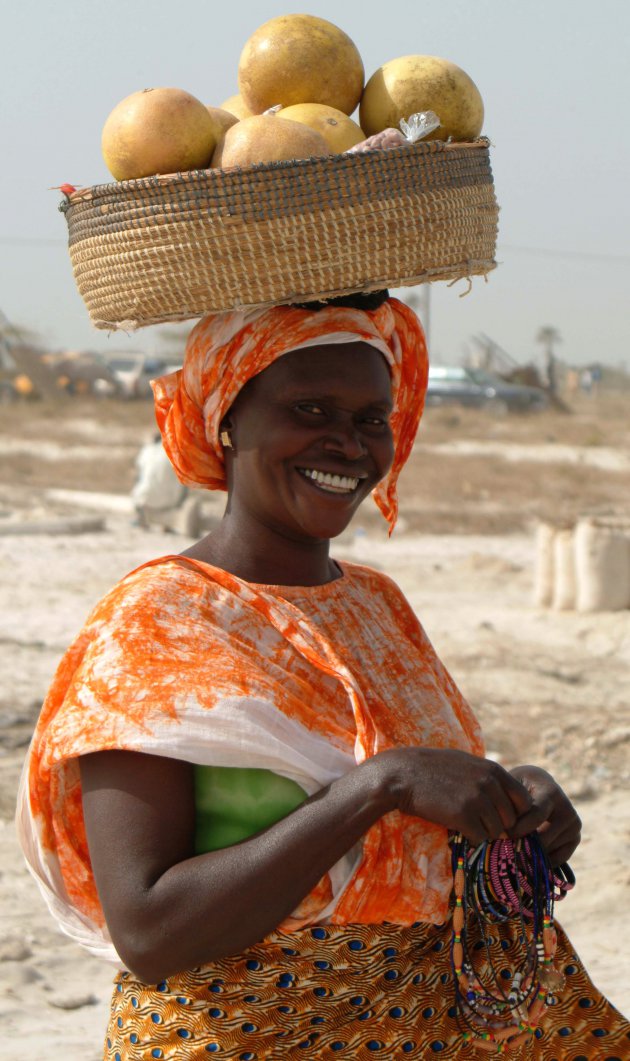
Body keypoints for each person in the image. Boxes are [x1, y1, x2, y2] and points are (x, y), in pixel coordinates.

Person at [17, 292, 629, 1058]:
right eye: (310, 409)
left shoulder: (376, 604)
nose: (348, 443)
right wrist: (378, 787)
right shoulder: (157, 623)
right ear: (226, 418)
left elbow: (417, 801)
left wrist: (515, 803)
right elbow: (148, 928)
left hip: (422, 1029)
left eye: (372, 418)